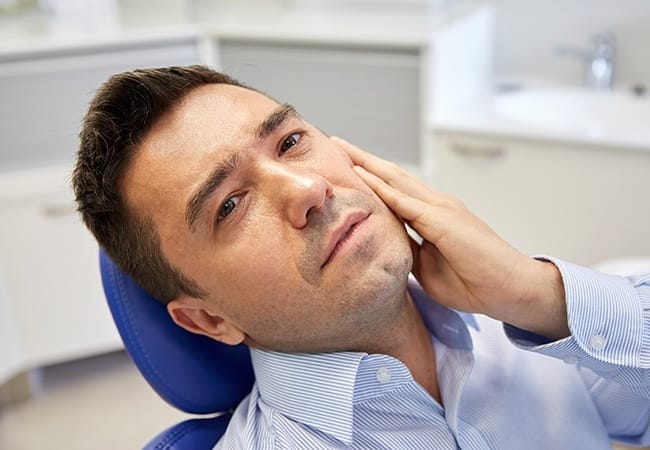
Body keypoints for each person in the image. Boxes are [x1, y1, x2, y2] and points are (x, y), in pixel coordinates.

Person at [72, 65, 650, 449]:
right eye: (230, 206)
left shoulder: (538, 322)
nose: (306, 191)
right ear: (208, 320)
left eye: (291, 142)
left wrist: (539, 296)